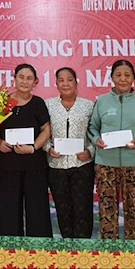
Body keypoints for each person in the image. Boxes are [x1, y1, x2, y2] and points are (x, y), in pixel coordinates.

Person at [89, 59, 135, 240]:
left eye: (127, 75)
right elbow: (92, 128)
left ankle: (133, 251)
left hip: (134, 165)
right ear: (112, 77)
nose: (123, 79)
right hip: (105, 165)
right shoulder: (102, 102)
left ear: (133, 78)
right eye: (118, 75)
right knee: (107, 212)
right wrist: (96, 140)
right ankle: (109, 251)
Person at [0, 63, 53, 237]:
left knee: (37, 210)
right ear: (14, 79)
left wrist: (33, 148)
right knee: (9, 209)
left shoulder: (38, 103)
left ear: (35, 82)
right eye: (21, 77)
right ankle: (9, 248)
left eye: (29, 78)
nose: (25, 81)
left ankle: (39, 248)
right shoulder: (2, 102)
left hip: (35, 165)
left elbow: (46, 130)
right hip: (9, 165)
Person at [43, 67, 95, 238]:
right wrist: (48, 148)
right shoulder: (48, 105)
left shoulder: (88, 105)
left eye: (69, 79)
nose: (65, 83)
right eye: (61, 80)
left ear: (76, 82)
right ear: (56, 84)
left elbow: (96, 133)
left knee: (83, 209)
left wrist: (90, 151)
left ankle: (83, 249)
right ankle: (67, 248)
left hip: (82, 165)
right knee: (63, 210)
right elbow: (42, 132)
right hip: (56, 166)